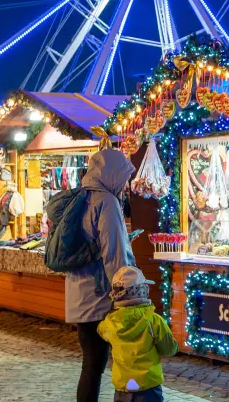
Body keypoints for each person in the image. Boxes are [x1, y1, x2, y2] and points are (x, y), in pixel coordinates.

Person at [64, 149, 137, 402]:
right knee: (121, 360)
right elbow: (114, 254)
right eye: (124, 178)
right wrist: (127, 293)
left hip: (79, 294)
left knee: (91, 365)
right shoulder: (106, 202)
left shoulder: (81, 196)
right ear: (113, 174)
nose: (125, 185)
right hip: (101, 297)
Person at [96, 267, 178, 402]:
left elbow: (101, 330)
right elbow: (169, 349)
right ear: (142, 291)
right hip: (148, 387)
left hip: (123, 387)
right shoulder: (154, 321)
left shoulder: (110, 322)